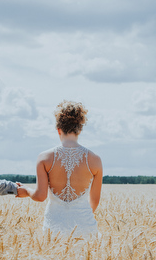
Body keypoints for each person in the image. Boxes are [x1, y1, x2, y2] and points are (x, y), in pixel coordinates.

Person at [18, 100, 103, 238]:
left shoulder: (44, 158)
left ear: (58, 130)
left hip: (54, 228)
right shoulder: (95, 160)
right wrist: (80, 216)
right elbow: (95, 201)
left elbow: (40, 196)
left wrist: (26, 191)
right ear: (79, 129)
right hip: (85, 226)